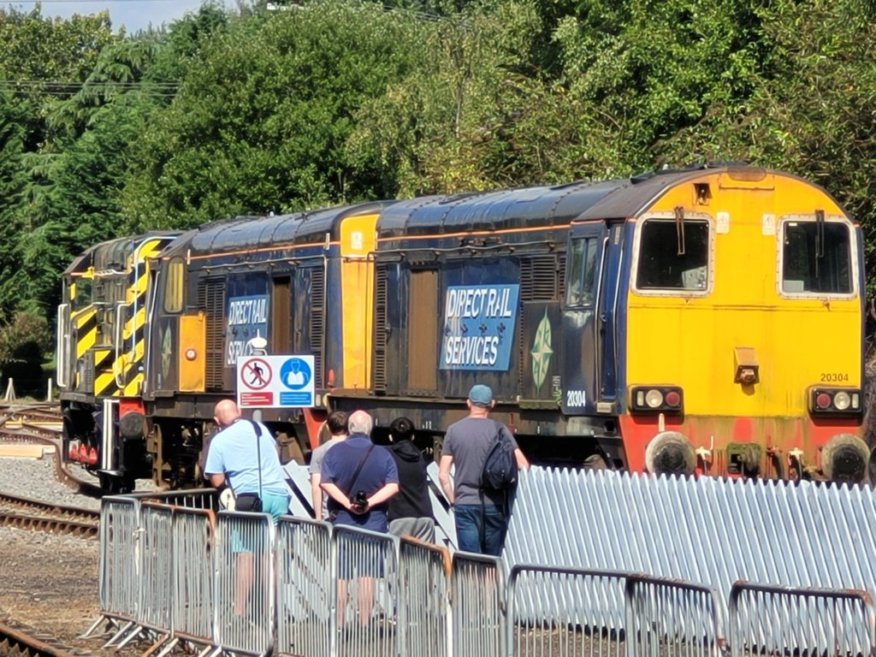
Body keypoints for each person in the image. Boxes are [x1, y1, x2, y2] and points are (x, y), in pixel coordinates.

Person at [204, 399, 291, 617]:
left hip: (248, 501)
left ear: (216, 421)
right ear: (240, 412)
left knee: (245, 557)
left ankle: (240, 612)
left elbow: (216, 477)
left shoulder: (219, 440)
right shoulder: (259, 428)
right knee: (269, 555)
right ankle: (271, 610)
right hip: (278, 496)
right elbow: (275, 454)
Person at [320, 410, 399, 626]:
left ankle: (339, 624)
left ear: (349, 427)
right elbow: (393, 486)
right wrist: (370, 503)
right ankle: (364, 625)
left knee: (342, 575)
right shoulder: (383, 454)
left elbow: (325, 483)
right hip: (373, 521)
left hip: (342, 520)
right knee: (368, 575)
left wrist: (347, 504)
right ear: (370, 429)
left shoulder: (335, 452)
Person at [438, 384, 529, 556]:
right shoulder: (500, 430)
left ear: (468, 403)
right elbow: (523, 465)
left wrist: (453, 500)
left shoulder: (453, 430)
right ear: (492, 404)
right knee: (491, 560)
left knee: (470, 560)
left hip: (464, 502)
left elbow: (443, 476)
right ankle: (490, 583)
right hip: (493, 503)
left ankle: (473, 584)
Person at [386, 416, 435, 542]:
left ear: (391, 437)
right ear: (413, 437)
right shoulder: (420, 456)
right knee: (424, 559)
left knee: (398, 559)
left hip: (400, 515)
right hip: (425, 515)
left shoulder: (388, 455)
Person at [309, 410, 349, 521]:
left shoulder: (319, 452)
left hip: (330, 512)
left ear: (327, 427)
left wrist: (318, 516)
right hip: (353, 509)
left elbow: (316, 487)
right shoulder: (356, 449)